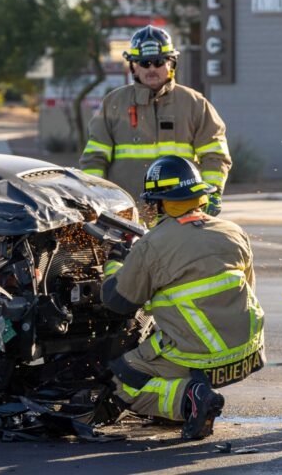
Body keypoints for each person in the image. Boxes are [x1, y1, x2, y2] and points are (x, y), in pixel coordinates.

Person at [99, 155, 265, 440]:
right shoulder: (233, 232)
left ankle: (190, 399)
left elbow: (117, 301)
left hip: (201, 358)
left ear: (162, 202)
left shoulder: (154, 244)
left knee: (119, 382)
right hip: (249, 351)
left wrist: (115, 261)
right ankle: (190, 393)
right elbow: (248, 287)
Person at [80, 25, 231, 220]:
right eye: (145, 63)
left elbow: (215, 154)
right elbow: (94, 158)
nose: (152, 68)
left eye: (159, 61)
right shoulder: (114, 103)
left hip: (180, 213)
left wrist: (213, 193)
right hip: (125, 215)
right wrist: (95, 197)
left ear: (171, 63)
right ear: (133, 65)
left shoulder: (194, 104)